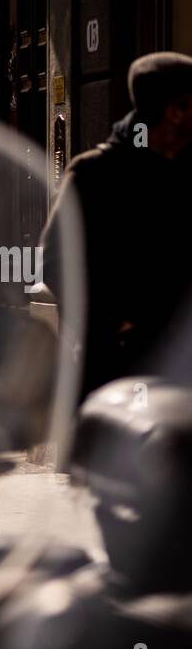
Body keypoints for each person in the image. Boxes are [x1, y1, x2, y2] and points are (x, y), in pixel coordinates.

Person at [41, 52, 192, 399]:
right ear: (175, 111)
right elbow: (56, 263)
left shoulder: (186, 174)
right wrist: (113, 322)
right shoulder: (96, 175)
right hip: (113, 373)